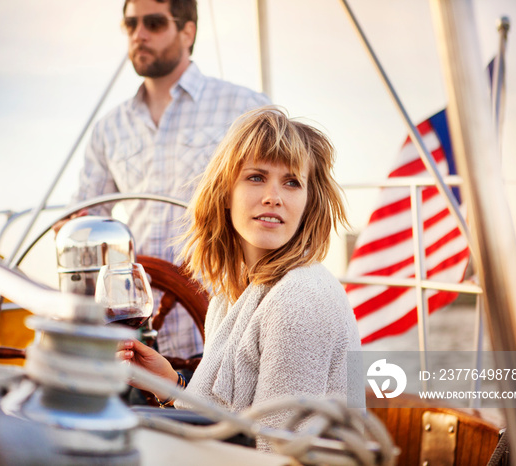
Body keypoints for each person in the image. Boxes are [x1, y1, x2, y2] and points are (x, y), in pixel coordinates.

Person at [118, 106, 363, 452]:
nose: (273, 197)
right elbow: (231, 420)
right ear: (225, 195)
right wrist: (170, 385)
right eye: (256, 177)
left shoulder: (299, 299)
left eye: (292, 182)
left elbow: (279, 454)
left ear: (309, 202)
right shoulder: (232, 294)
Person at [67, 0, 271, 361]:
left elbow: (276, 202)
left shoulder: (246, 108)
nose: (139, 35)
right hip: (138, 333)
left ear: (187, 31)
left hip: (224, 324)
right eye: (131, 25)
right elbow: (85, 221)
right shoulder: (109, 128)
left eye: (155, 24)